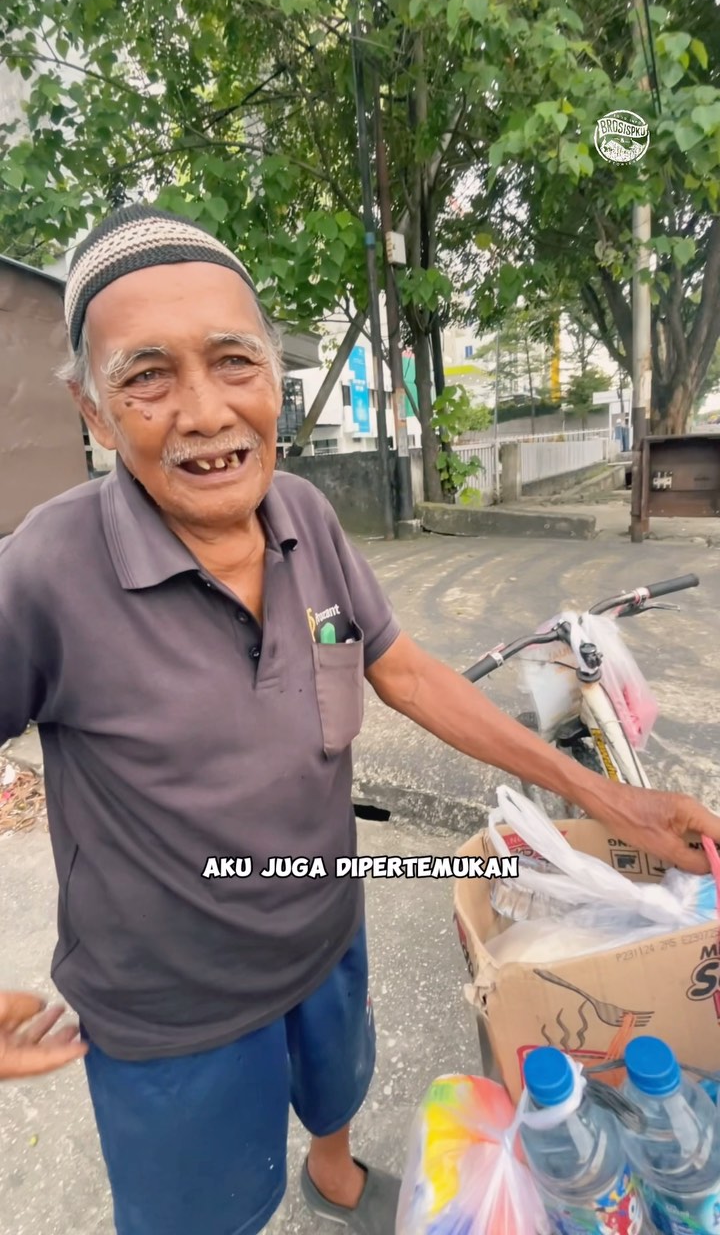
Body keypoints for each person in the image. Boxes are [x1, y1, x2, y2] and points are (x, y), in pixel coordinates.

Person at [1, 203, 717, 1235]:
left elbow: (406, 672)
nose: (205, 412)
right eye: (147, 374)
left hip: (326, 923)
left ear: (273, 382)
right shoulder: (44, 571)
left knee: (335, 1085)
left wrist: (613, 799)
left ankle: (333, 1174)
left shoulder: (304, 515)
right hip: (173, 1007)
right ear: (92, 408)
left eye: (234, 361)